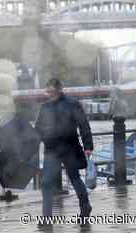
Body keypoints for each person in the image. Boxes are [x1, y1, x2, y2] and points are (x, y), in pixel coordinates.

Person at [35, 78, 93, 220]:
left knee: (74, 178)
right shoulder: (45, 107)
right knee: (47, 182)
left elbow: (84, 126)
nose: (50, 94)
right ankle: (46, 217)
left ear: (59, 90)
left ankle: (85, 207)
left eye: (52, 91)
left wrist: (88, 147)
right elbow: (38, 129)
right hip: (51, 150)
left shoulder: (72, 104)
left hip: (69, 147)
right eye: (48, 92)